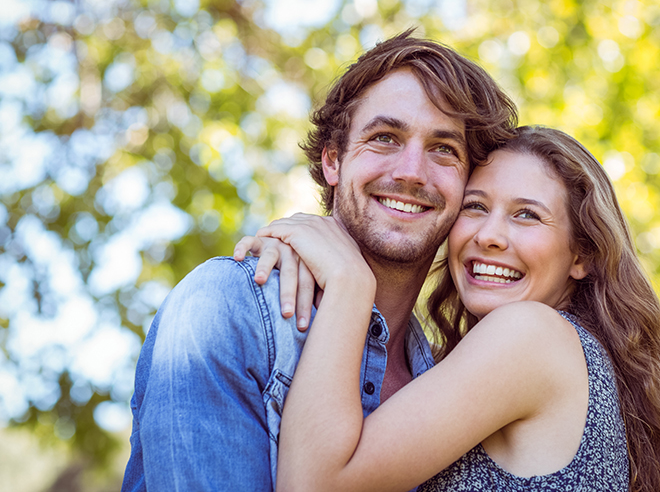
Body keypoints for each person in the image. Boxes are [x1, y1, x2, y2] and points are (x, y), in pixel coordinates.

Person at [120, 30, 517, 491]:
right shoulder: (226, 308)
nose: (411, 171)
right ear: (332, 161)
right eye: (385, 138)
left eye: (443, 149)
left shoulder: (446, 377)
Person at [245, 126, 660, 491]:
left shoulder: (531, 337)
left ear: (582, 255)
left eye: (526, 214)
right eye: (475, 206)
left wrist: (348, 282)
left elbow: (314, 486)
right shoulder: (567, 355)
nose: (489, 234)